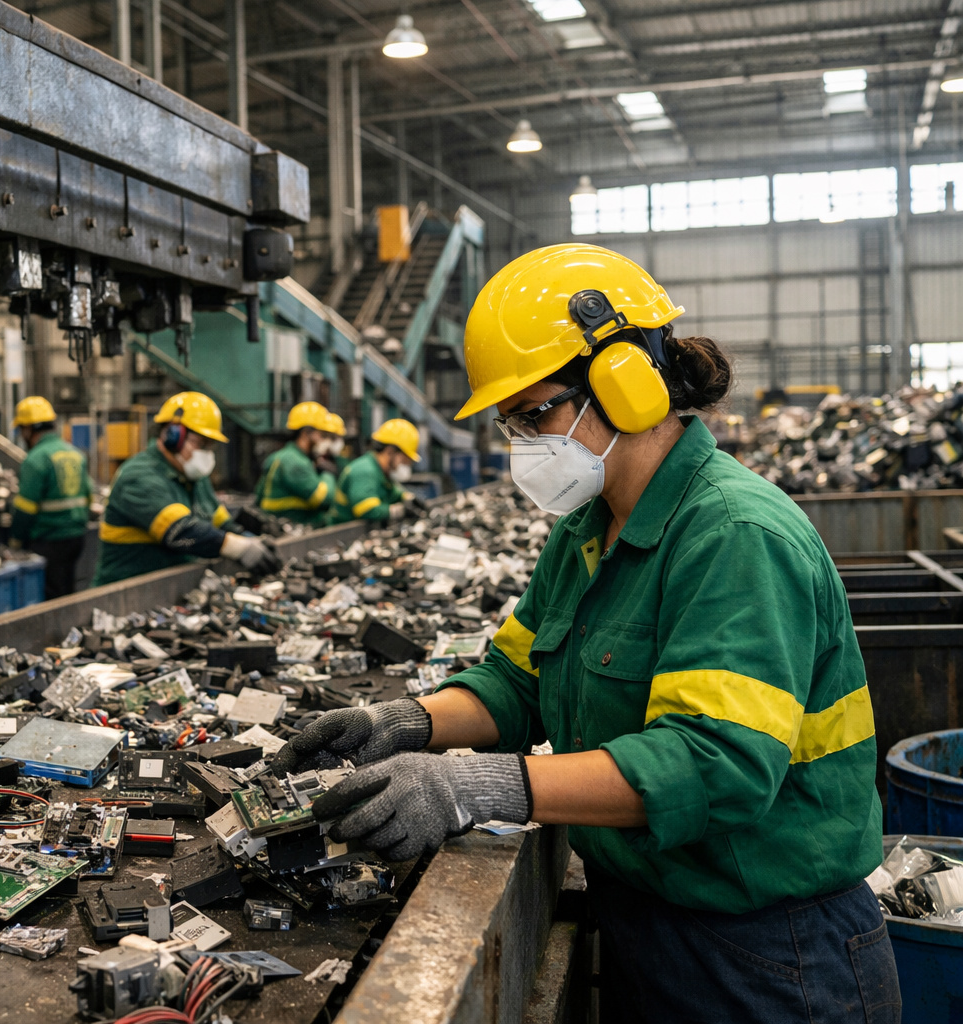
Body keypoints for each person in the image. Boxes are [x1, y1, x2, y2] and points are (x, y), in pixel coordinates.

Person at [278, 244, 897, 1023]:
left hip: (772, 957)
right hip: (653, 923)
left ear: (627, 383)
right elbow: (517, 681)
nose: (525, 446)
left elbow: (715, 764)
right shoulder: (588, 529)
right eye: (512, 424)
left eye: (536, 413)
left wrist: (488, 786)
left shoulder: (736, 535)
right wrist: (405, 722)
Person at [93, 391, 280, 586]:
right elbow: (180, 532)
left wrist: (250, 539)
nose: (206, 453)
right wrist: (238, 548)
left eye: (210, 445)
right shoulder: (138, 476)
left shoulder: (195, 479)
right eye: (201, 443)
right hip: (125, 594)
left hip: (169, 589)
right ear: (172, 436)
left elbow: (221, 524)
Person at [9, 395, 93, 600]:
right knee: (68, 591)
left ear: (29, 429)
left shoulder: (36, 459)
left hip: (49, 541)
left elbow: (26, 508)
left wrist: (15, 542)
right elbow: (89, 497)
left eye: (22, 430)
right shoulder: (75, 454)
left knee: (50, 597)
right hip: (76, 538)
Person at [255, 401, 335, 526]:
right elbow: (324, 500)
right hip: (293, 528)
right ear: (306, 433)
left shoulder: (278, 456)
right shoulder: (296, 462)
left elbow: (258, 498)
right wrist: (327, 475)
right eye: (322, 434)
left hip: (276, 527)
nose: (324, 440)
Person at [332, 418, 419, 523]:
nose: (406, 465)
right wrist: (399, 511)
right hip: (339, 533)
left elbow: (393, 493)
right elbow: (367, 510)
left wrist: (410, 499)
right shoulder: (365, 470)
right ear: (390, 452)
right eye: (405, 460)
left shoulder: (380, 471)